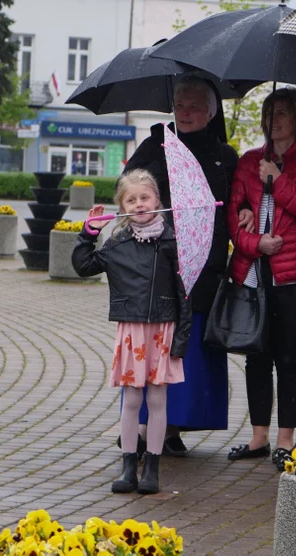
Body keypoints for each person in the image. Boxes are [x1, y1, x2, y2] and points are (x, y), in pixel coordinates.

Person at [122, 78, 237, 454]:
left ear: (210, 113)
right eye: (180, 106)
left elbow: (236, 205)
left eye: (194, 107)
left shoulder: (225, 155)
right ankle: (139, 430)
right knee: (152, 349)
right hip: (156, 266)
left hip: (203, 267)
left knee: (190, 353)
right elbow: (129, 192)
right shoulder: (156, 144)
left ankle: (172, 429)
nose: (185, 113)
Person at [225, 88, 296, 469]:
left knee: (287, 357)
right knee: (256, 356)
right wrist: (255, 242)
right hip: (253, 270)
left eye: (283, 112)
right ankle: (258, 436)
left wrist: (280, 181)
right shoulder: (249, 160)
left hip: (293, 275)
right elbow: (235, 217)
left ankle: (287, 439)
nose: (275, 119)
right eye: (270, 112)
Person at [73, 169, 189, 495]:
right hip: (132, 331)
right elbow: (83, 267)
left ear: (158, 200)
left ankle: (152, 467)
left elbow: (184, 297)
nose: (139, 204)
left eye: (145, 197)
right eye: (131, 199)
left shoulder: (171, 242)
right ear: (122, 207)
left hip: (162, 330)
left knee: (157, 398)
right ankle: (128, 466)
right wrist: (87, 234)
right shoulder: (117, 243)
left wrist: (181, 339)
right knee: (132, 398)